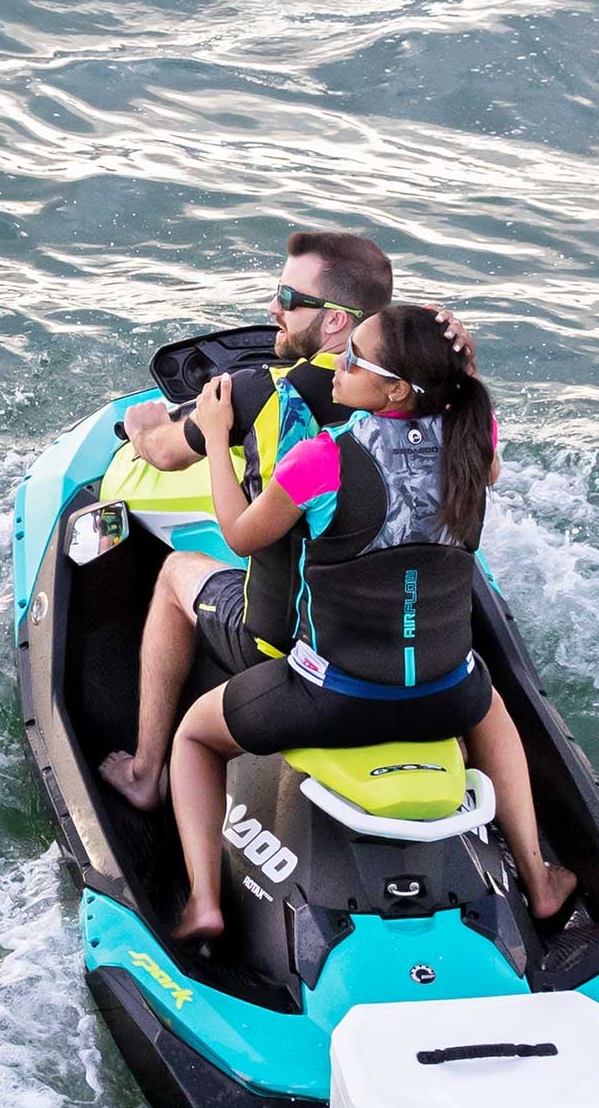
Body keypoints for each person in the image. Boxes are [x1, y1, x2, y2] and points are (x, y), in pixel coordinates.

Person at [163, 303, 583, 942]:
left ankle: (203, 902)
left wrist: (218, 439)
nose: (338, 362)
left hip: (332, 700)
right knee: (491, 705)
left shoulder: (323, 458)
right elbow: (479, 436)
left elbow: (241, 536)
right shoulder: (472, 440)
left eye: (355, 359)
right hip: (447, 696)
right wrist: (463, 366)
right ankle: (540, 878)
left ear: (395, 391)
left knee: (195, 737)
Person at [94, 229, 393, 812]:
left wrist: (143, 427)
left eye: (288, 298)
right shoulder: (412, 393)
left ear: (336, 321)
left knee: (176, 573)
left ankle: (145, 770)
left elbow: (163, 454)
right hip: (390, 633)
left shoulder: (261, 392)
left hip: (289, 642)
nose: (272, 308)